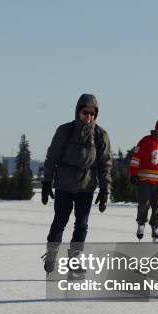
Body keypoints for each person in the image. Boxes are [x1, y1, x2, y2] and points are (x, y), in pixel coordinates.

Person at [41, 93, 112, 275]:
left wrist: (105, 190)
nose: (88, 117)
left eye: (92, 114)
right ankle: (51, 253)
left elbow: (105, 164)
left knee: (82, 224)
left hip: (86, 186)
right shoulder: (65, 131)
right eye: (85, 113)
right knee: (60, 221)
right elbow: (52, 157)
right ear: (78, 112)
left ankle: (75, 259)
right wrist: (47, 182)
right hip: (64, 185)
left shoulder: (100, 135)